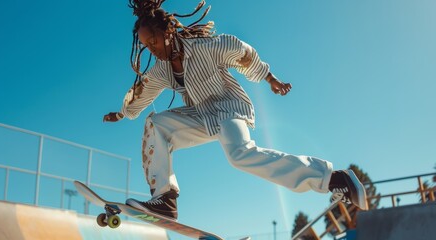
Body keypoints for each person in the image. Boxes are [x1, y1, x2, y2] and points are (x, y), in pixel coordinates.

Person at [103, 0, 368, 220]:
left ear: (168, 32)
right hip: (201, 116)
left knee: (239, 155)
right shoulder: (161, 70)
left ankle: (333, 178)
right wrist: (123, 113)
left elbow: (241, 51)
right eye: (147, 47)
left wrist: (270, 78)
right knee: (156, 124)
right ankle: (164, 199)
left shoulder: (207, 48)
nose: (153, 50)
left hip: (230, 109)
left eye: (155, 42)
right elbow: (143, 91)